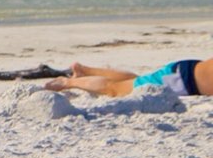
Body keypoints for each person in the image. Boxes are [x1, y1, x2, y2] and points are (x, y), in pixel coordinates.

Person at [46, 57, 204, 98]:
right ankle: (69, 81)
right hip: (183, 79)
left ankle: (84, 71)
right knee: (115, 90)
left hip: (187, 73)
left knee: (135, 82)